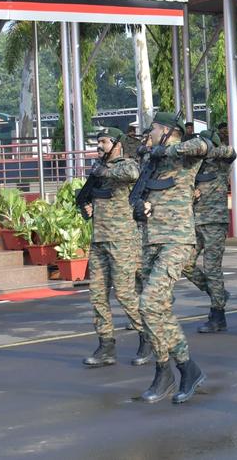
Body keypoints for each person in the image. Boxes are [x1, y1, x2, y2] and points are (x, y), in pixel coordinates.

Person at [132, 112, 209, 404]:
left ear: (166, 131)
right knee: (156, 310)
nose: (148, 134)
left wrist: (167, 148)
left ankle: (171, 370)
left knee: (149, 302)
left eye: (152, 129)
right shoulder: (151, 163)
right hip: (151, 241)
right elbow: (138, 199)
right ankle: (179, 369)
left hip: (177, 240)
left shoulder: (183, 155)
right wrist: (140, 207)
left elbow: (204, 146)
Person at [81, 127, 145, 369]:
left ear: (116, 144)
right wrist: (88, 207)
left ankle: (147, 337)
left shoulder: (126, 165)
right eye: (97, 141)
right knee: (97, 294)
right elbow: (93, 196)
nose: (99, 146)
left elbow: (132, 173)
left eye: (103, 142)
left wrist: (103, 168)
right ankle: (106, 345)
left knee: (125, 292)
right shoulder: (98, 170)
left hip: (122, 239)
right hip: (99, 238)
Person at [185, 129, 237, 333]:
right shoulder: (194, 167)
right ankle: (219, 294)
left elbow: (231, 152)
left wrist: (209, 149)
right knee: (185, 264)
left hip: (215, 221)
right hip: (194, 221)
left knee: (211, 268)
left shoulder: (221, 164)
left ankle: (218, 314)